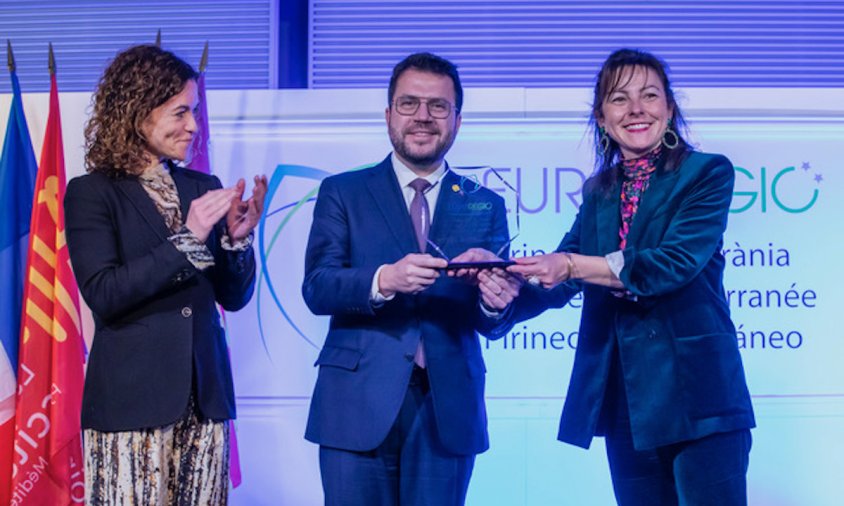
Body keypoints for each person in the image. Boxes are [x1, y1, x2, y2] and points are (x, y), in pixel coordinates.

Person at [507, 48, 755, 505]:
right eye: (620, 99)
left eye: (650, 96)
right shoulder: (599, 190)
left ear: (669, 108)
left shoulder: (706, 172)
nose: (636, 109)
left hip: (699, 395)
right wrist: (500, 285)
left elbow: (672, 263)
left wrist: (573, 266)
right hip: (627, 398)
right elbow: (564, 268)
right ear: (602, 118)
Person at [302, 52, 519, 506]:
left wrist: (495, 303)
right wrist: (385, 279)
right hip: (355, 404)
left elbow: (493, 320)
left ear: (457, 120)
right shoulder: (342, 192)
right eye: (409, 104)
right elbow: (318, 286)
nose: (423, 117)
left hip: (447, 407)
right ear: (388, 115)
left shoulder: (485, 203)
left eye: (438, 106)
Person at [64, 44, 267, 505]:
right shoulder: (92, 193)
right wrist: (190, 238)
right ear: (138, 112)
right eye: (180, 113)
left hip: (206, 401)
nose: (193, 126)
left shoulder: (203, 187)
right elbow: (105, 293)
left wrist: (236, 242)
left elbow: (232, 298)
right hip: (131, 406)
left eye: (193, 111)